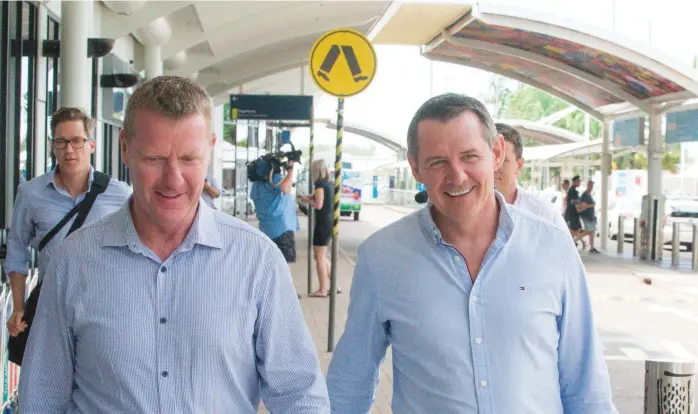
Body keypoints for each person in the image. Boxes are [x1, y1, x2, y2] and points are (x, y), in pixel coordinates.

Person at [18, 76, 329, 413]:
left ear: (210, 148)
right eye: (154, 159)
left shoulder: (257, 259)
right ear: (124, 147)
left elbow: (299, 394)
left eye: (189, 159)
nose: (173, 179)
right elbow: (43, 398)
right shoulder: (73, 261)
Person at [326, 93, 615, 413]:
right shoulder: (381, 258)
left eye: (469, 156)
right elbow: (349, 384)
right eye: (437, 162)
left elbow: (586, 388)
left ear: (496, 152)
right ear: (415, 168)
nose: (457, 176)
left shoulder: (553, 248)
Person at [5, 107, 131, 358]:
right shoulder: (31, 193)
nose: (69, 149)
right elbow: (17, 249)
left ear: (92, 145)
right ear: (53, 146)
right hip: (50, 304)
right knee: (47, 381)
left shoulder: (120, 194)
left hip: (103, 305)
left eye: (77, 141)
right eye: (61, 142)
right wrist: (18, 307)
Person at [493, 123, 568, 230]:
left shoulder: (544, 216)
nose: (493, 167)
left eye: (503, 160)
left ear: (519, 166)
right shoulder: (464, 215)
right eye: (488, 159)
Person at [250, 155, 300, 269]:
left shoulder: (257, 185)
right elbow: (285, 189)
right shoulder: (275, 180)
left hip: (265, 229)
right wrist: (290, 172)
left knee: (269, 265)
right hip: (281, 228)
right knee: (284, 267)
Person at [298, 159, 336, 297]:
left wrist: (306, 200)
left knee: (319, 256)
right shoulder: (329, 183)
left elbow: (318, 205)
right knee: (321, 255)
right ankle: (334, 284)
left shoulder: (319, 184)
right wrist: (308, 197)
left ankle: (322, 289)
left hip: (322, 223)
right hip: (329, 222)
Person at [578, 180, 600, 253]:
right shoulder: (584, 195)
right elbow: (583, 206)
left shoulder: (589, 194)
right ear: (588, 186)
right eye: (590, 185)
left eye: (592, 186)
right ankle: (575, 239)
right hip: (587, 217)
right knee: (589, 231)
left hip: (590, 216)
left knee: (592, 232)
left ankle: (592, 247)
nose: (591, 187)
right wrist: (592, 205)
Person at [566, 175, 585, 248]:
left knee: (575, 230)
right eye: (578, 181)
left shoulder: (572, 190)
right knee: (573, 230)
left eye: (579, 181)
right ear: (574, 182)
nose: (579, 182)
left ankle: (573, 243)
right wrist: (580, 202)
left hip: (572, 214)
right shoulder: (574, 191)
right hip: (573, 214)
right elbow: (573, 202)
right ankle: (581, 242)